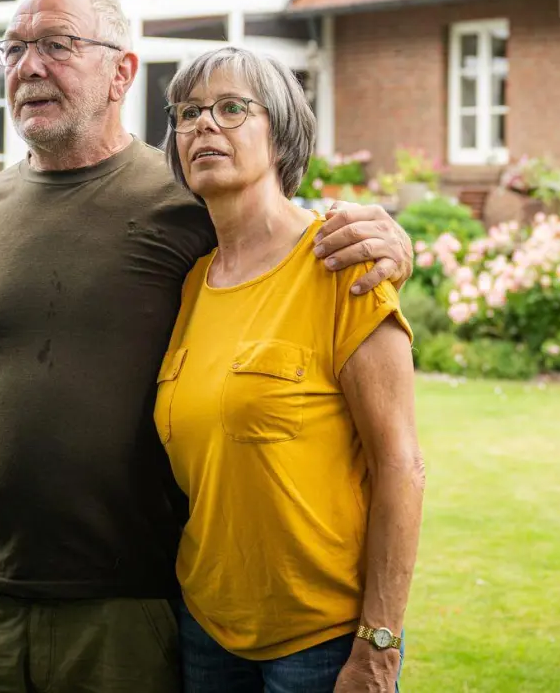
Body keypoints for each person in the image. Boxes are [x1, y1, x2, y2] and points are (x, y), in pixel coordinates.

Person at [0, 0, 413, 692]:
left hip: (126, 612)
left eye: (58, 44)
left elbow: (282, 233)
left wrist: (386, 237)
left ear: (121, 72)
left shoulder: (188, 206)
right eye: (13, 49)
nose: (29, 67)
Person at [158, 47, 425, 693]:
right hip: (207, 630)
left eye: (230, 108)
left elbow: (401, 465)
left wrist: (379, 645)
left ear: (280, 133)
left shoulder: (344, 264)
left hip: (321, 644)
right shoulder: (193, 284)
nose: (204, 126)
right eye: (189, 113)